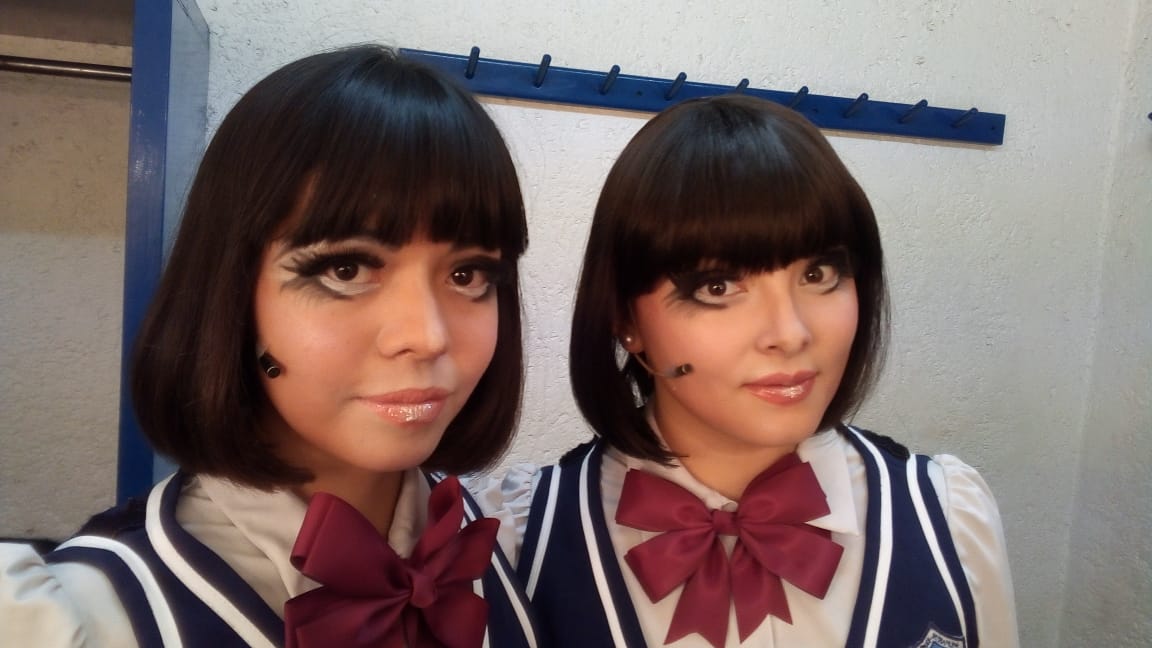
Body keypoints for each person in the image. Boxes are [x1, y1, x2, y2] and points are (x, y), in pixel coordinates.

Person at [0, 45, 537, 647]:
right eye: (347, 269)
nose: (428, 337)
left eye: (468, 275)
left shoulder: (494, 544)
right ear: (233, 288)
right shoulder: (80, 621)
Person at [485, 95, 1018, 647]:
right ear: (626, 318)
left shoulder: (950, 517)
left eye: (819, 274)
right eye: (718, 286)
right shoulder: (514, 539)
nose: (790, 333)